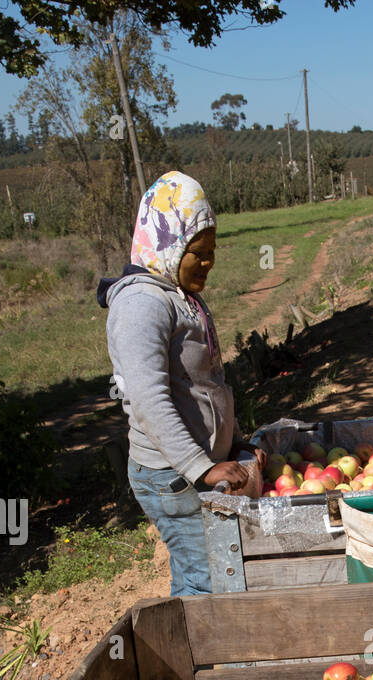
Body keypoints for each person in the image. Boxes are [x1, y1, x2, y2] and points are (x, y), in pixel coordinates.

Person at [98, 170, 265, 596]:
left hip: (196, 469)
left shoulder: (178, 294)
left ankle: (195, 652)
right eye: (198, 252)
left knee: (204, 570)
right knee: (207, 580)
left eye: (212, 251)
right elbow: (148, 398)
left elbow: (208, 385)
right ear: (168, 243)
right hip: (173, 475)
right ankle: (198, 661)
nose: (208, 262)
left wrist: (235, 444)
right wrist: (202, 468)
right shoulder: (140, 304)